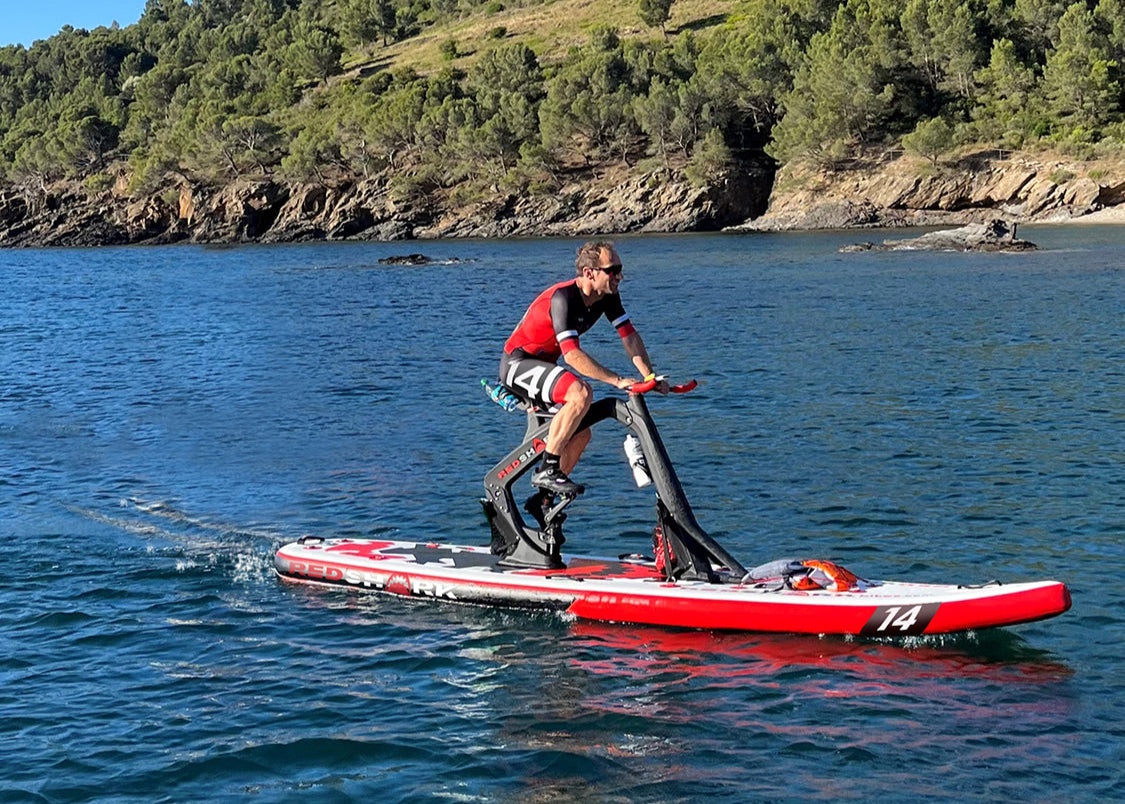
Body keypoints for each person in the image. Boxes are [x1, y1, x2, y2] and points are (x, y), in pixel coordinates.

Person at [498, 241, 668, 513]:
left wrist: (649, 375)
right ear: (589, 273)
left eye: (620, 270)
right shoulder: (563, 298)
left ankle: (541, 502)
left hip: (543, 365)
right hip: (518, 364)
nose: (620, 277)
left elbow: (630, 337)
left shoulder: (608, 297)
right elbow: (572, 356)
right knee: (581, 393)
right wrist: (617, 380)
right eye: (613, 271)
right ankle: (548, 468)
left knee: (581, 433)